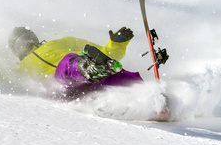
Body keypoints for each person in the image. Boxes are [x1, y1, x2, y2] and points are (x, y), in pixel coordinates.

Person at [8, 26, 142, 98]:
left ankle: (151, 100)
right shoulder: (23, 66)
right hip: (60, 85)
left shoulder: (60, 42)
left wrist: (117, 44)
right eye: (22, 43)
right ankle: (88, 68)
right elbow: (7, 81)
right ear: (16, 52)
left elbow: (106, 54)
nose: (29, 43)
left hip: (88, 83)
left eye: (30, 38)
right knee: (67, 63)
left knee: (117, 74)